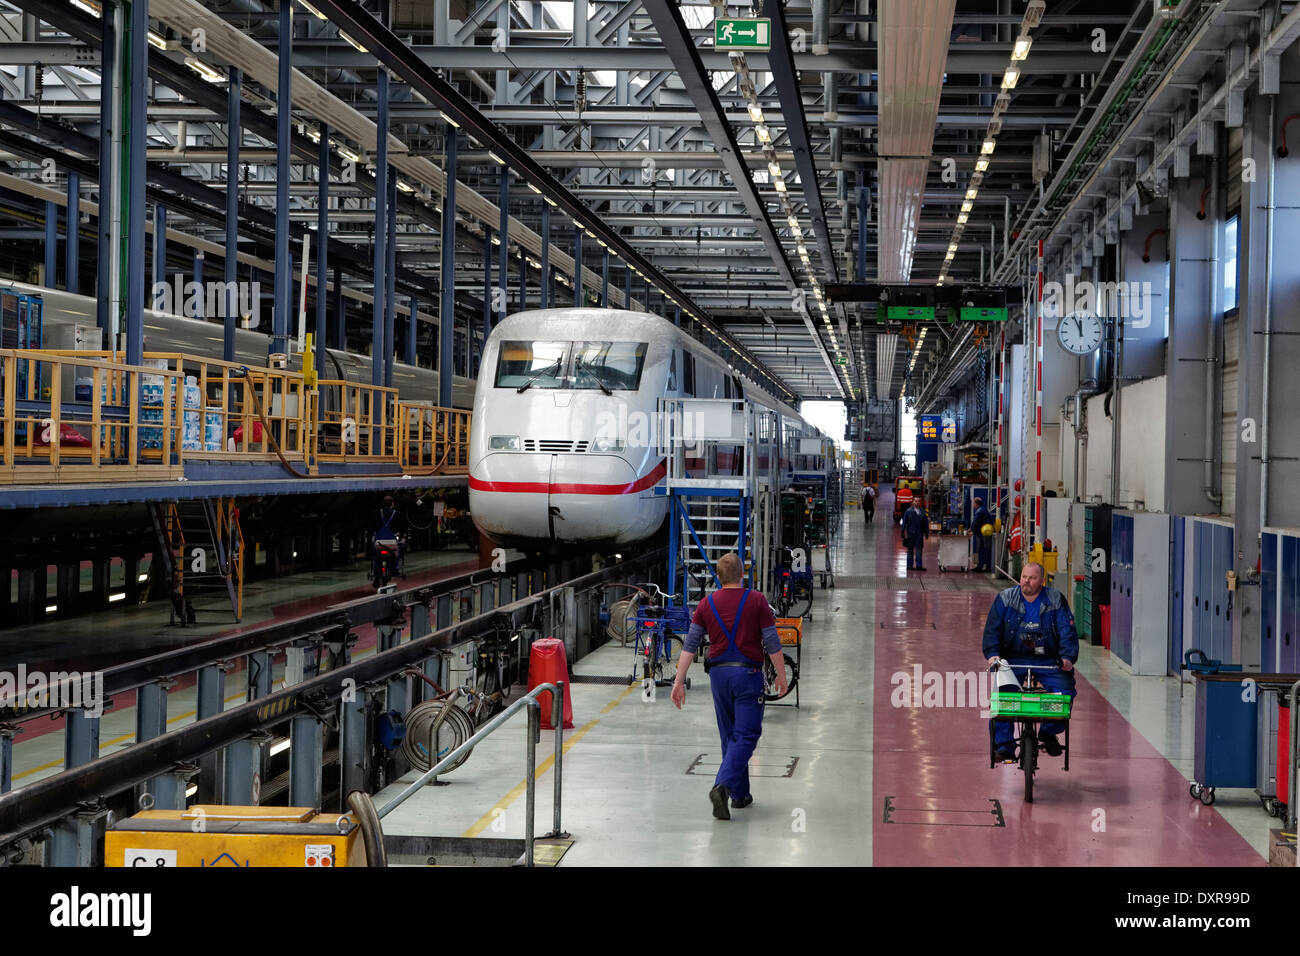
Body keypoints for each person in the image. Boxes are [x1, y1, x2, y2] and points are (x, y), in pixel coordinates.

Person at [671, 553, 788, 820]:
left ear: (719, 577)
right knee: (747, 734)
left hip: (719, 677)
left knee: (730, 736)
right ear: (742, 575)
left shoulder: (705, 604)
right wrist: (781, 675)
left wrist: (679, 681)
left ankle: (740, 795)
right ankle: (722, 786)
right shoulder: (756, 600)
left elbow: (690, 645)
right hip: (747, 675)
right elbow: (772, 643)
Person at [982, 561, 1078, 762]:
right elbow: (992, 630)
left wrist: (1067, 658)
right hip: (1013, 659)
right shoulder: (1006, 598)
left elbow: (1067, 631)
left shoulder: (1055, 599)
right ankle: (1005, 747)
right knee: (1003, 696)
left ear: (1042, 581)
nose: (1026, 581)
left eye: (1032, 578)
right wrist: (993, 654)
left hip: (1049, 660)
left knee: (1065, 692)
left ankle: (1048, 732)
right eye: (1024, 576)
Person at [372, 495, 406, 580]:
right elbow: (402, 528)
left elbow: (372, 527)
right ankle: (394, 570)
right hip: (392, 543)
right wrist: (402, 537)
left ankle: (376, 574)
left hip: (379, 542)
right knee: (397, 553)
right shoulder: (396, 514)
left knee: (376, 557)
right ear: (392, 504)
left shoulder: (377, 513)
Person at [901, 500, 929, 571]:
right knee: (910, 550)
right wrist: (902, 531)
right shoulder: (908, 511)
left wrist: (926, 532)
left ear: (920, 503)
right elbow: (904, 522)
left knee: (919, 550)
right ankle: (909, 565)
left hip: (919, 534)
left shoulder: (922, 512)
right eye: (915, 501)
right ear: (913, 502)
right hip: (911, 534)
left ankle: (919, 566)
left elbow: (925, 523)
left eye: (918, 501)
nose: (917, 502)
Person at [971, 496, 994, 572]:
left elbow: (976, 522)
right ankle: (987, 566)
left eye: (973, 503)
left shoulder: (979, 511)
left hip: (982, 533)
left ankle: (980, 567)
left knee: (982, 549)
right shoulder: (983, 509)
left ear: (976, 503)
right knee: (986, 549)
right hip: (987, 532)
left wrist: (972, 531)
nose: (973, 505)